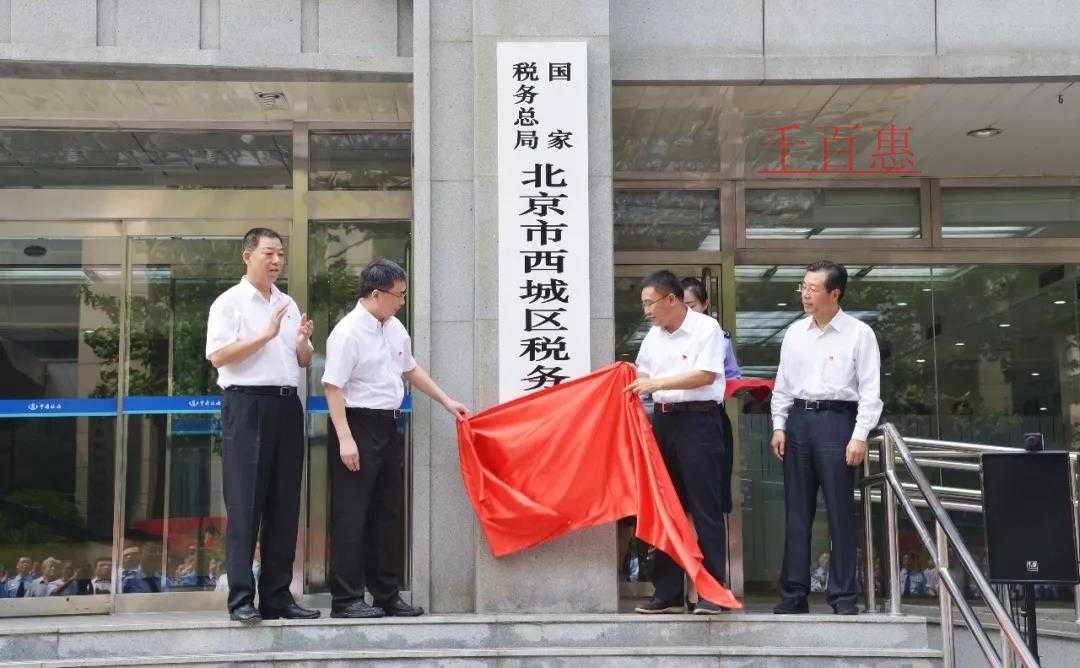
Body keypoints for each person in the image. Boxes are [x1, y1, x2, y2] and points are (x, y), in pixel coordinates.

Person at [323, 258, 468, 619]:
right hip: (356, 424)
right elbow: (332, 387)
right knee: (352, 514)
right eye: (398, 295)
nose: (402, 301)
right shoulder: (348, 332)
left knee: (387, 512)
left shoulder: (393, 326)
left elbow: (410, 368)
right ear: (376, 294)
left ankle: (386, 595)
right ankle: (346, 600)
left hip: (389, 424)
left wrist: (446, 401)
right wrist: (345, 439)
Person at [205, 227, 319, 624]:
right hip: (247, 405)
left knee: (284, 504)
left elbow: (302, 360)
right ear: (248, 256)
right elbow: (218, 356)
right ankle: (241, 600)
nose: (276, 261)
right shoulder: (229, 303)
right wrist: (265, 335)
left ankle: (277, 597)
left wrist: (302, 342)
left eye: (280, 255)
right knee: (245, 504)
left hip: (287, 405)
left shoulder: (288, 303)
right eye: (269, 253)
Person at [771, 260, 882, 616]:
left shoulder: (859, 333)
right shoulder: (794, 333)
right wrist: (778, 425)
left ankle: (843, 596)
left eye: (812, 288)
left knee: (840, 512)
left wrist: (860, 435)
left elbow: (870, 390)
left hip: (838, 421)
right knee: (796, 512)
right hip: (799, 421)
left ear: (835, 294)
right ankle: (793, 594)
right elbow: (782, 385)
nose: (805, 294)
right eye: (803, 287)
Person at [627, 270, 730, 615]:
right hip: (664, 422)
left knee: (705, 509)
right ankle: (668, 592)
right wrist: (642, 380)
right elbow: (643, 370)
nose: (646, 311)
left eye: (650, 303)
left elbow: (706, 374)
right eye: (644, 304)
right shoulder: (653, 336)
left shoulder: (706, 328)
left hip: (699, 422)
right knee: (667, 508)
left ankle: (713, 592)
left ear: (671, 299)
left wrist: (655, 384)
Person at [681, 276, 741, 518]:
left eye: (692, 305)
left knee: (710, 492)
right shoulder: (665, 336)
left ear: (705, 304)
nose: (687, 312)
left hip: (709, 416)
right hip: (676, 420)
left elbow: (733, 375)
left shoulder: (720, 337)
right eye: (682, 306)